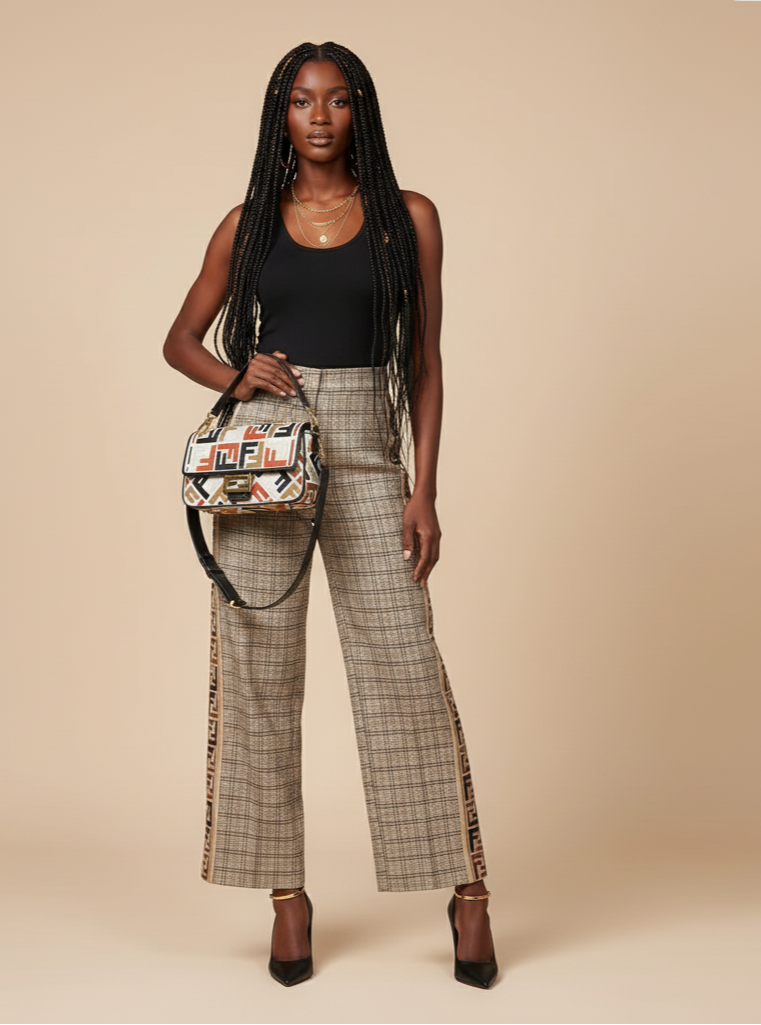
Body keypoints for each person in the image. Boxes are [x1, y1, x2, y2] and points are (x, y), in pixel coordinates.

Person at [163, 41, 496, 989]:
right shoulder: (248, 223)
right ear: (281, 114)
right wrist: (239, 373)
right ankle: (285, 896)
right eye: (302, 101)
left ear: (360, 113)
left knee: (404, 668)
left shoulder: (407, 218)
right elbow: (178, 338)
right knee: (259, 670)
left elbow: (425, 364)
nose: (318, 116)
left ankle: (466, 892)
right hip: (269, 451)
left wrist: (423, 488)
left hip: (365, 445)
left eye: (337, 100)